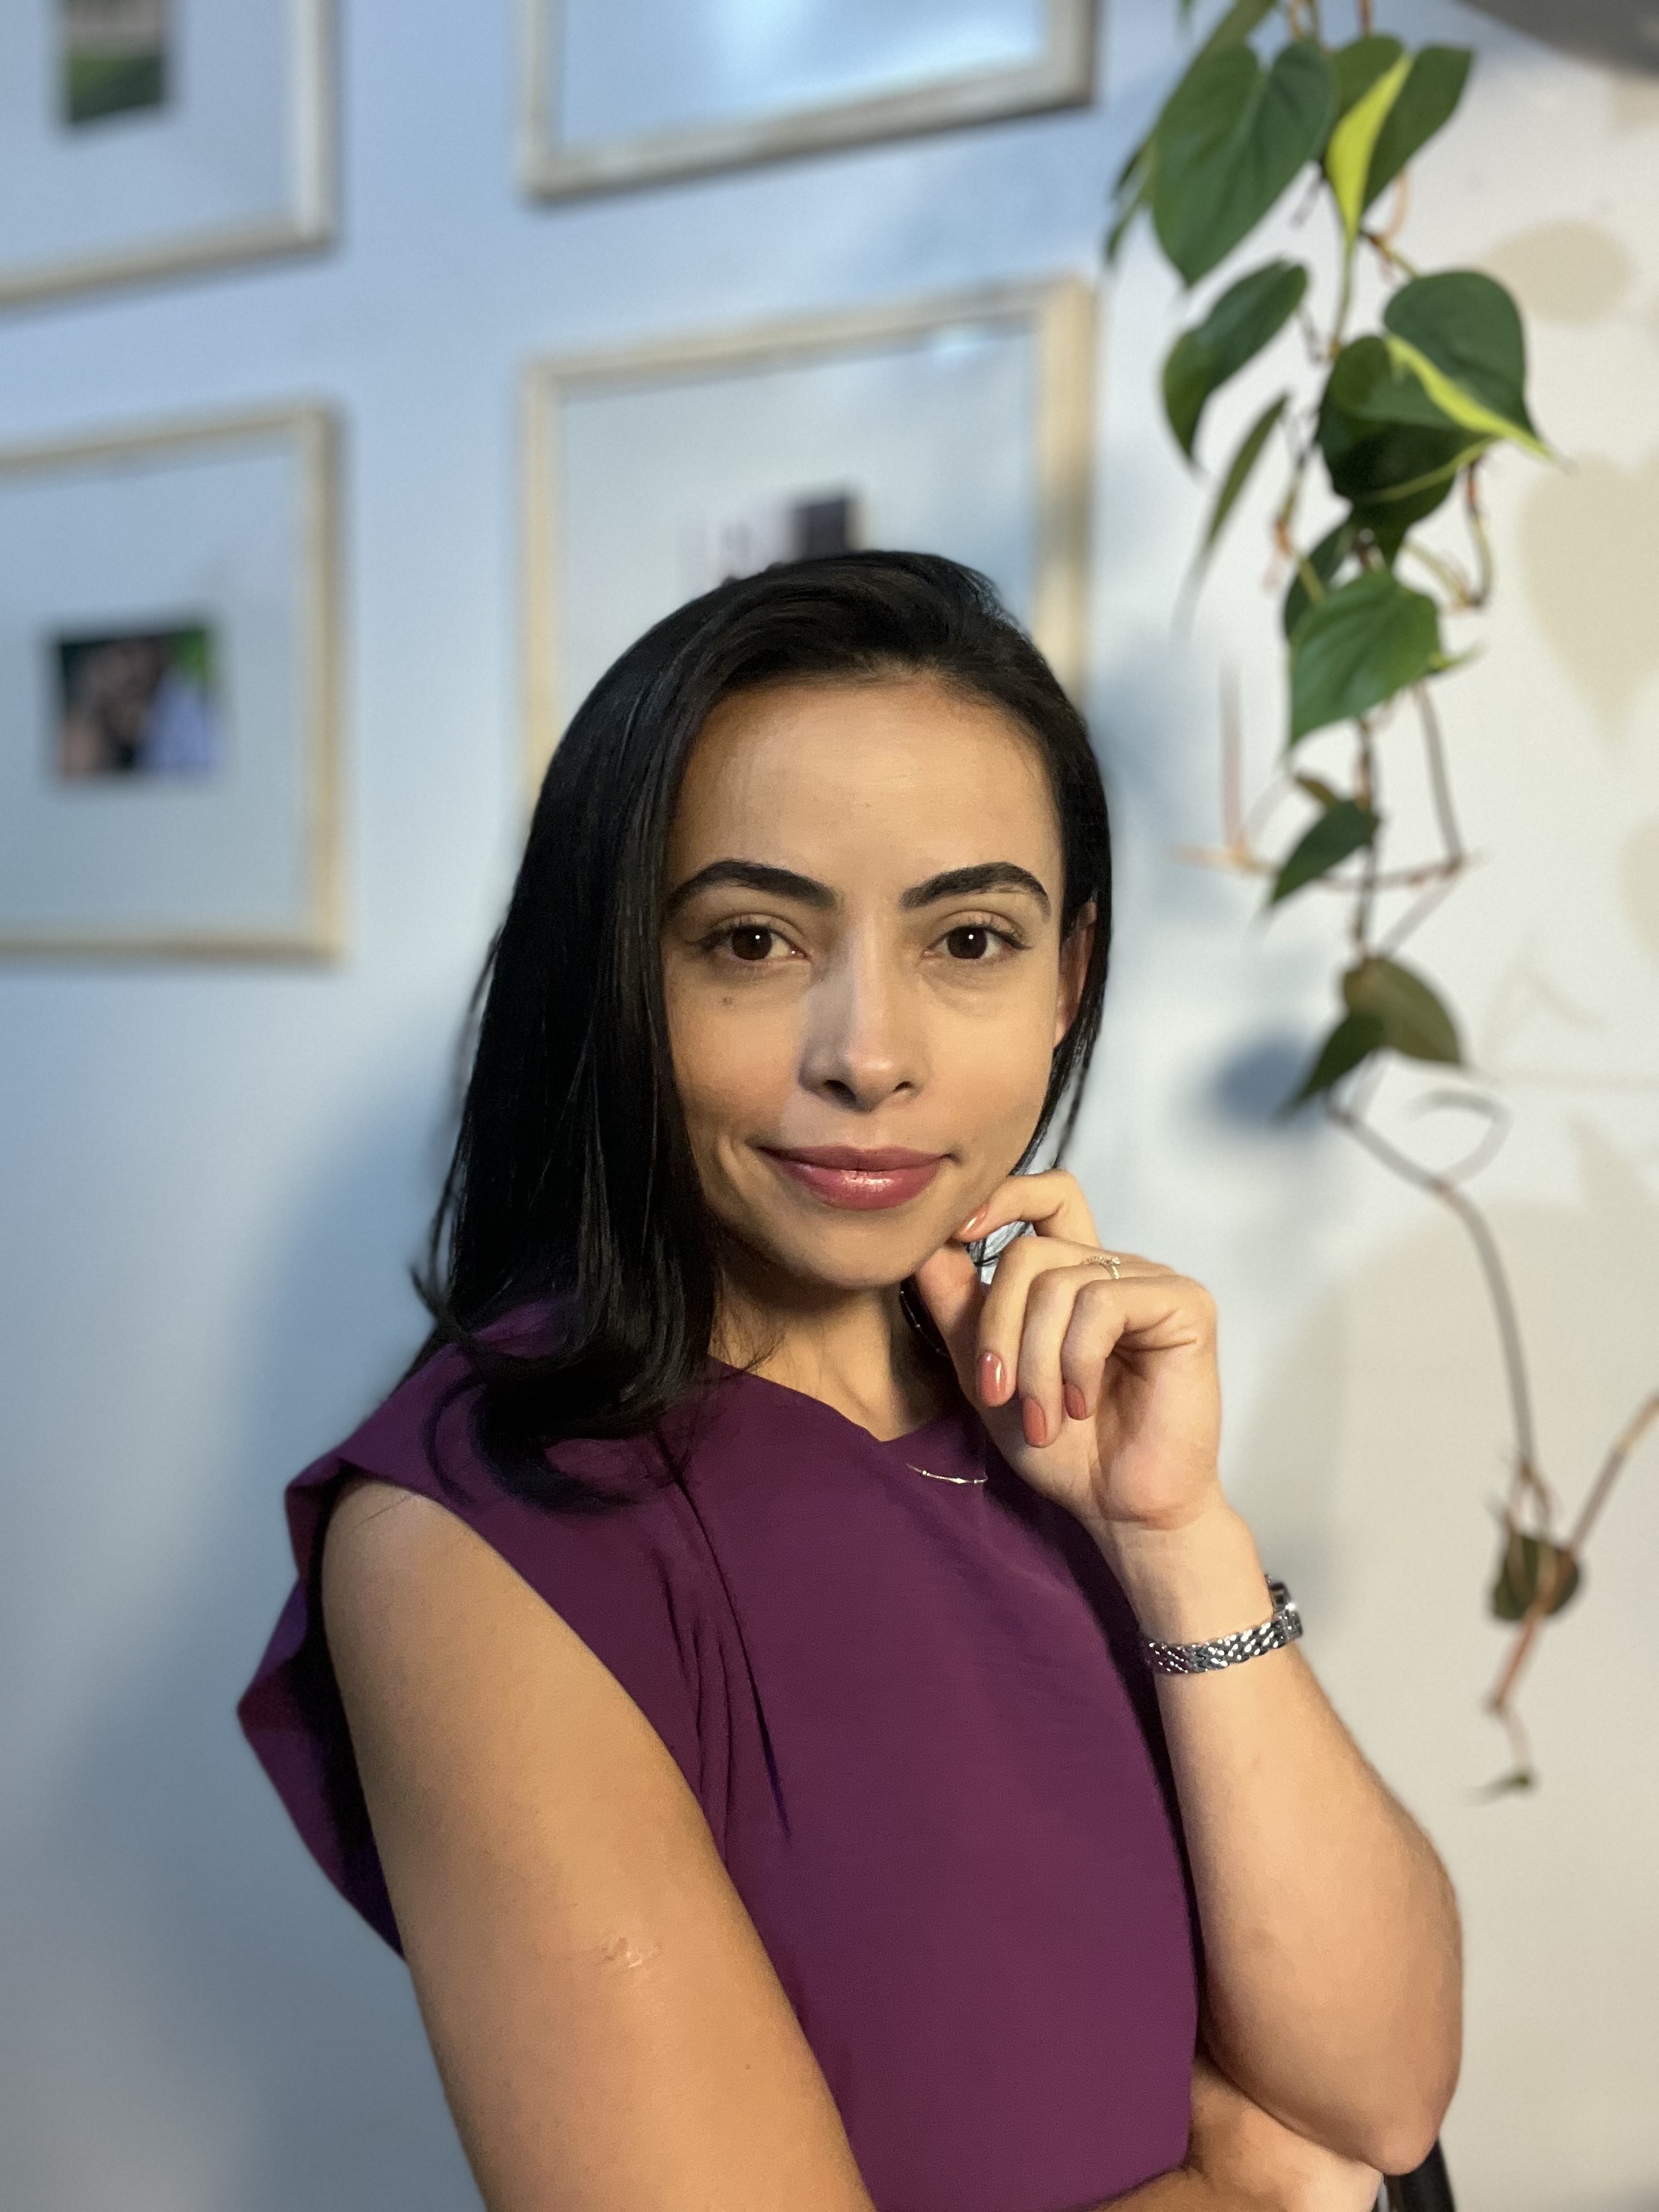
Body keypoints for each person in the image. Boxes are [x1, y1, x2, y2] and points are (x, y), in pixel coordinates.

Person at [239, 552, 1461, 2212]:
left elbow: (1384, 2085)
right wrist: (1255, 2191)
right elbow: (1341, 2165)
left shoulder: (1052, 1398)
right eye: (753, 938)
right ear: (618, 975)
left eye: (969, 937)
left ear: (1068, 978)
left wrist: (1178, 1534)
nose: (869, 1052)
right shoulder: (482, 1533)